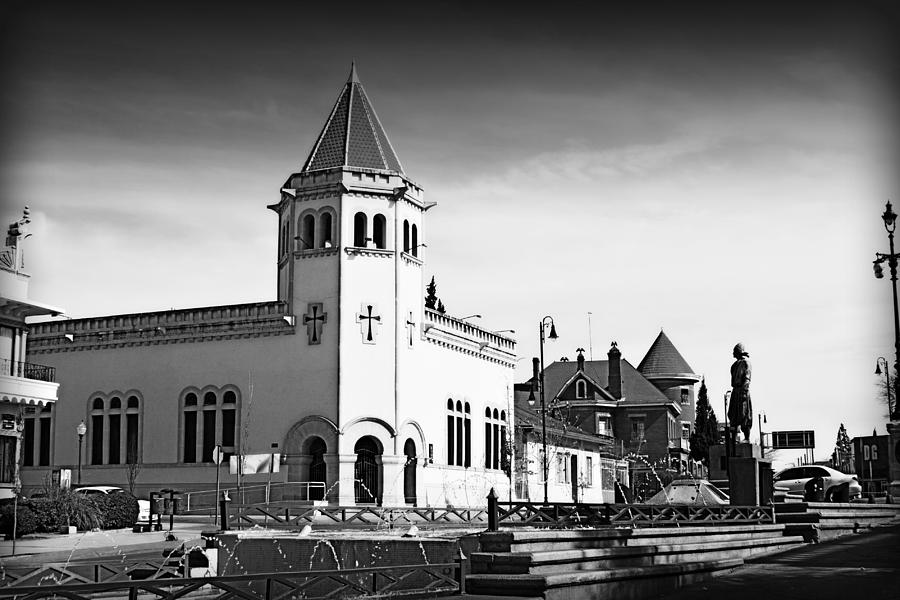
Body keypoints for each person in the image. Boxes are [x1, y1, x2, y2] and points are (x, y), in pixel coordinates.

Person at [728, 343, 752, 442]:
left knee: (744, 415)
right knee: (732, 414)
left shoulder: (746, 363)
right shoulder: (734, 365)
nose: (733, 354)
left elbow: (747, 378)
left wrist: (744, 390)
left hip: (742, 391)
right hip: (735, 391)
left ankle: (747, 438)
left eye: (735, 351)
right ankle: (733, 439)